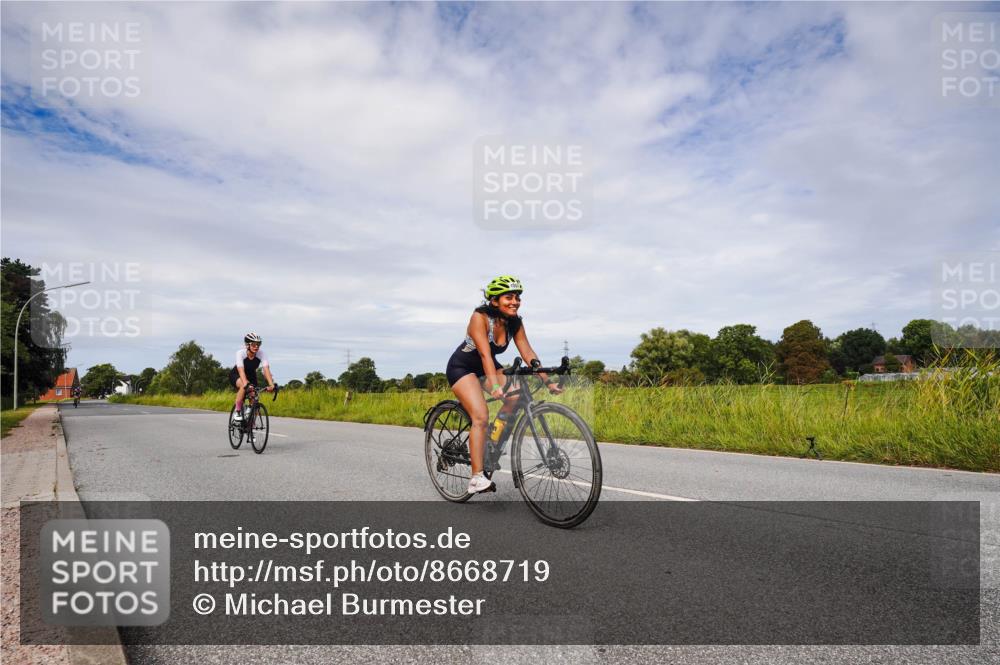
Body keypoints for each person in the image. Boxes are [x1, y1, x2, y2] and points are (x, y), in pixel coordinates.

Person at [445, 276, 562, 494]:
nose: (515, 302)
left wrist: (548, 381)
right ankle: (476, 478)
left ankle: (492, 440)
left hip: (488, 366)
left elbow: (527, 352)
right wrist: (494, 385)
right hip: (463, 368)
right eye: (509, 297)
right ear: (494, 301)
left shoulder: (514, 321)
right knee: (481, 416)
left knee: (515, 396)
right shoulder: (479, 317)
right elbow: (484, 354)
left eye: (517, 298)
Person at [230, 332, 276, 421]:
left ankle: (251, 423)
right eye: (254, 344)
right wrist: (246, 384)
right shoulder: (240, 353)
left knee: (255, 400)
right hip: (237, 374)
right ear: (247, 345)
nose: (256, 347)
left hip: (251, 375)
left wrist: (271, 384)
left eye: (258, 344)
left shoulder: (261, 354)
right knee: (244, 386)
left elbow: (266, 369)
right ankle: (238, 411)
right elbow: (241, 370)